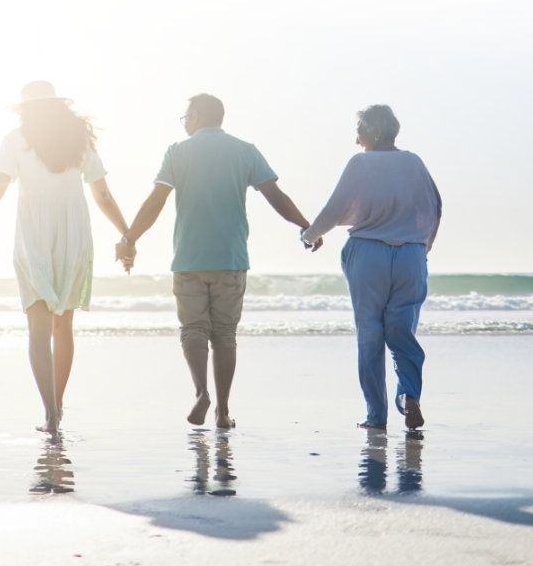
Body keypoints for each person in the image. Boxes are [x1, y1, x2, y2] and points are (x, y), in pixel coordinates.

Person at [0, 81, 131, 433]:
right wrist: (127, 234)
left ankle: (51, 415)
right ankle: (58, 406)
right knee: (64, 326)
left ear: (26, 108)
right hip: (74, 234)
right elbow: (102, 194)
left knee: (38, 331)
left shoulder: (16, 139)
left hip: (34, 236)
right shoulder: (78, 140)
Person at [117, 93, 317, 429]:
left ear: (195, 115)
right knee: (225, 335)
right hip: (230, 257)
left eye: (185, 117)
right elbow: (276, 197)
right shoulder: (245, 150)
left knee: (193, 330)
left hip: (189, 257)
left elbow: (156, 201)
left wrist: (130, 238)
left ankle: (201, 393)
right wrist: (306, 226)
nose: (184, 123)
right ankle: (223, 411)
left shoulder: (178, 152)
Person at [300, 104, 441, 431]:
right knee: (401, 329)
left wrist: (310, 235)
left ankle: (376, 416)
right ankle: (409, 393)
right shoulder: (414, 162)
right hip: (410, 256)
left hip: (368, 254)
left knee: (370, 334)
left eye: (359, 130)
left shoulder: (361, 163)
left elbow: (335, 207)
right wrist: (421, 248)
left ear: (374, 131)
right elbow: (434, 208)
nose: (356, 139)